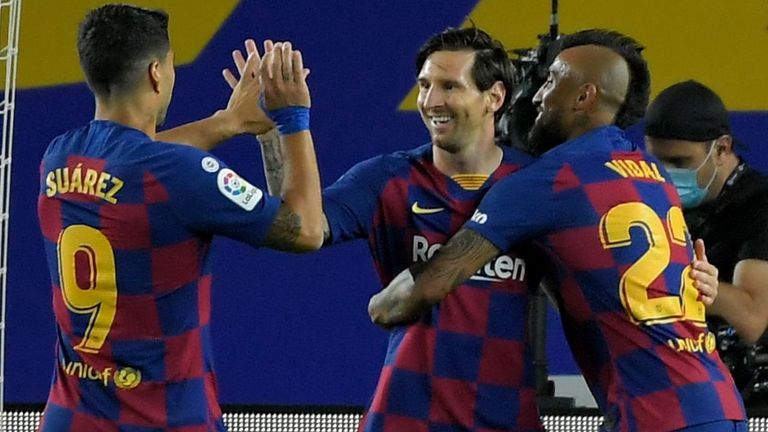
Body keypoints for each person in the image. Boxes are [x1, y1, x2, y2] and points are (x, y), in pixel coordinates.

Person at [369, 29, 747, 431]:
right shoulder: (650, 174)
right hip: (721, 404)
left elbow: (431, 286)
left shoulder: (548, 182)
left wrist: (380, 306)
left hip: (656, 417)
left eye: (550, 82)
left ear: (583, 97)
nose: (535, 97)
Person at [234, 27, 547, 431]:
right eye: (424, 86)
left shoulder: (536, 185)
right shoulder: (388, 178)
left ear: (495, 97)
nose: (432, 101)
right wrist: (276, 132)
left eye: (450, 86)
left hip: (505, 418)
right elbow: (298, 227)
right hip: (405, 419)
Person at [37, 4, 323, 431]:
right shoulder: (179, 176)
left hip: (70, 420)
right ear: (156, 73)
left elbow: (140, 160)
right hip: (164, 421)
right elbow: (308, 230)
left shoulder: (58, 157)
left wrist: (226, 123)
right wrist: (293, 118)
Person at [644, 80, 768, 407]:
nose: (668, 175)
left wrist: (674, 275)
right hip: (682, 388)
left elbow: (753, 319)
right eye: (658, 163)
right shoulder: (655, 202)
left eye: (681, 163)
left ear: (722, 148)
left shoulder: (761, 205)